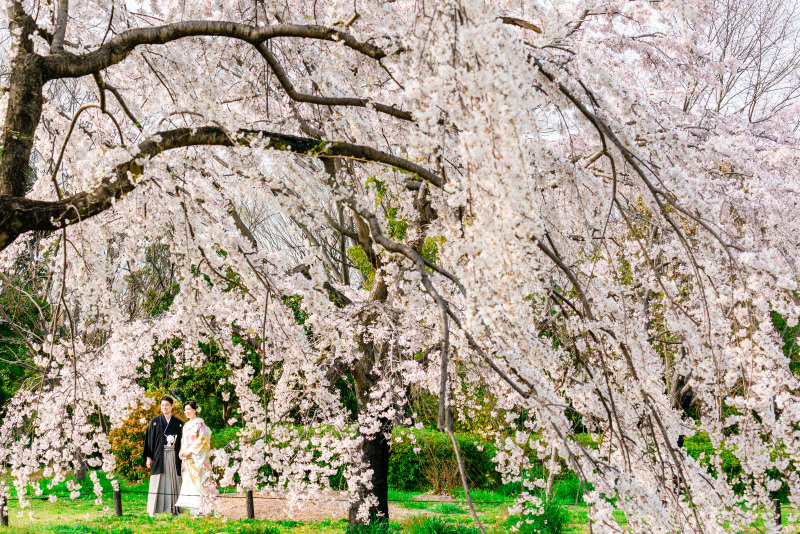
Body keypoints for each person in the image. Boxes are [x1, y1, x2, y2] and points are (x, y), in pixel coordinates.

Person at [142, 395, 184, 516]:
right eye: (162, 405)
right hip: (158, 455)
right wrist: (148, 457)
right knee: (157, 480)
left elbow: (182, 442)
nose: (164, 407)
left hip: (174, 455)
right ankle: (153, 510)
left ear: (172, 406)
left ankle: (174, 509)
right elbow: (149, 440)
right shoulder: (154, 422)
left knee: (173, 480)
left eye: (167, 405)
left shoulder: (179, 423)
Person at [175, 401, 216, 517]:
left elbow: (203, 439)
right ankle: (195, 510)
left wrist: (191, 451)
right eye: (185, 410)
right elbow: (184, 441)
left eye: (189, 409)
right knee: (190, 483)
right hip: (189, 458)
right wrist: (182, 451)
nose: (187, 412)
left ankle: (204, 510)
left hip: (198, 457)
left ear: (195, 410)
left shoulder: (200, 423)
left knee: (201, 481)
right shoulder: (186, 425)